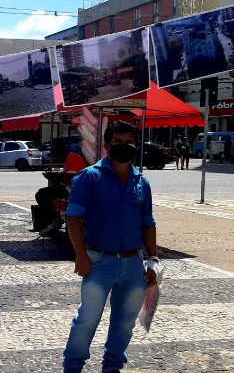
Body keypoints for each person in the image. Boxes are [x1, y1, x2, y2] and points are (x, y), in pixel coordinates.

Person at [63, 121, 159, 373]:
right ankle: (72, 366)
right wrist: (80, 255)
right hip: (99, 262)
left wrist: (153, 259)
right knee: (87, 319)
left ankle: (112, 366)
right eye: (118, 142)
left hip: (133, 264)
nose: (124, 146)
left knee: (125, 321)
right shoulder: (89, 177)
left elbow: (148, 222)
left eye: (129, 141)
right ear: (106, 145)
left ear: (136, 145)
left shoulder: (142, 181)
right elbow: (73, 218)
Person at [35, 144, 87, 236]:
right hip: (70, 188)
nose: (55, 158)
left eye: (55, 155)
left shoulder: (72, 158)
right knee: (42, 193)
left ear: (60, 152)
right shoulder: (69, 159)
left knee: (42, 194)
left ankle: (55, 220)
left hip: (74, 190)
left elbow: (70, 178)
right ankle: (54, 220)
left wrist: (55, 177)